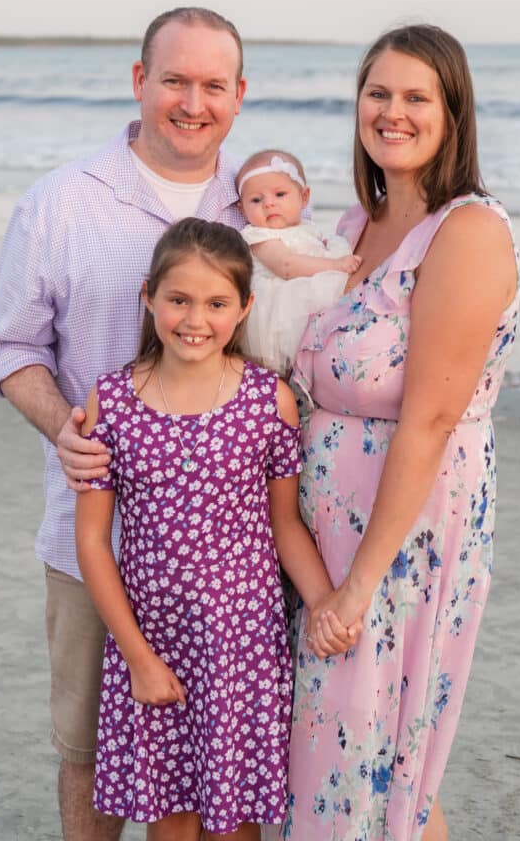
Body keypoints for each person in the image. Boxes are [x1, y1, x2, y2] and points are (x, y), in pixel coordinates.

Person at [0, 7, 250, 841]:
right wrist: (65, 428)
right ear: (140, 82)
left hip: (230, 560)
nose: (191, 101)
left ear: (239, 96)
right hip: (90, 537)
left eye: (212, 84)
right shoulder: (60, 202)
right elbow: (12, 347)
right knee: (91, 753)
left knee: (224, 758)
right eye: (175, 79)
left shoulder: (262, 206)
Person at [278, 25, 520, 841]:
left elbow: (428, 418)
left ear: (452, 113)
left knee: (377, 760)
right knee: (364, 759)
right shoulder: (353, 225)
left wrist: (356, 586)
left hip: (402, 538)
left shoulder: (468, 231)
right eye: (377, 93)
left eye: (416, 97)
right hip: (321, 532)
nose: (392, 112)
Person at [75, 218, 359, 840]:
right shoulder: (112, 401)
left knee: (235, 821)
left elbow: (284, 524)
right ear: (148, 296)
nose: (194, 319)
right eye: (178, 299)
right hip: (153, 642)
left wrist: (322, 604)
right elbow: (94, 542)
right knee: (171, 818)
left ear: (245, 307)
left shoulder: (268, 401)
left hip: (242, 648)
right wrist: (138, 657)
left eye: (216, 303)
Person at [237, 149, 361, 377]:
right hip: (279, 310)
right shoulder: (259, 236)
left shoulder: (308, 229)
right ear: (242, 208)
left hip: (306, 300)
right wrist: (336, 265)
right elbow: (286, 266)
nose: (269, 204)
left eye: (280, 195)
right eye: (256, 199)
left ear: (304, 198)